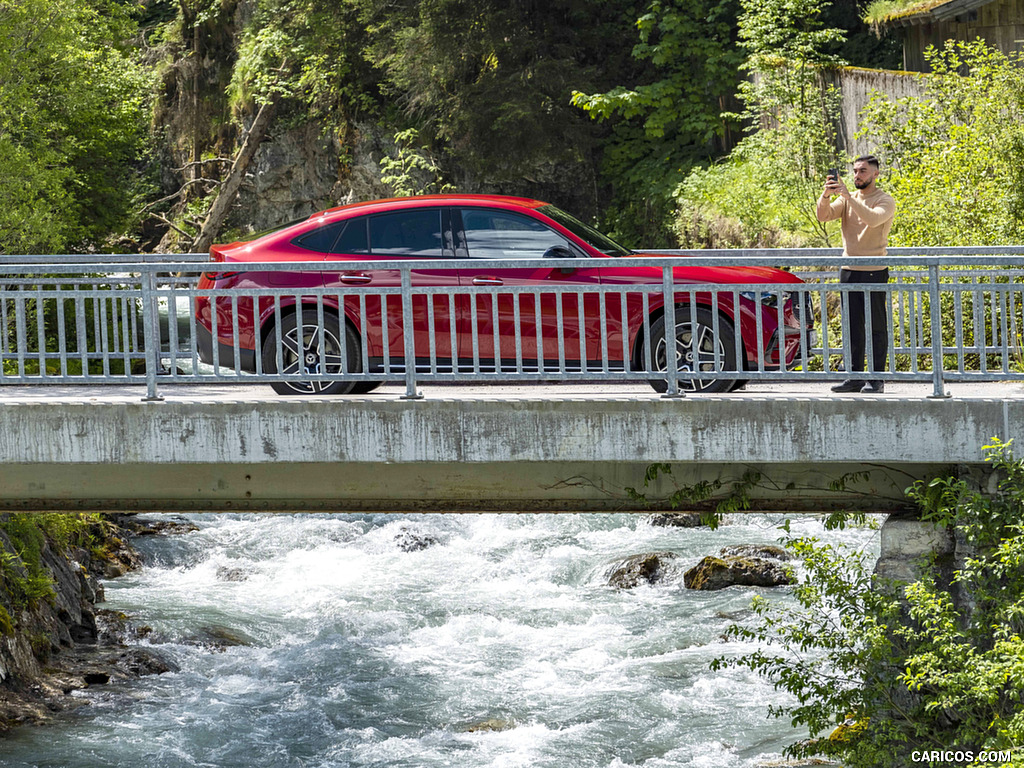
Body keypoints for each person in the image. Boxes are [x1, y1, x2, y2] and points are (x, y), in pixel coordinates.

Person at [816, 155, 896, 394]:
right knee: (852, 326)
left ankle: (876, 379)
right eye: (854, 171)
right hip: (849, 270)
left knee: (876, 327)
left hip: (874, 271)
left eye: (862, 171)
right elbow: (823, 215)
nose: (857, 175)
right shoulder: (847, 199)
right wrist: (826, 195)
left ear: (875, 174)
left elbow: (872, 220)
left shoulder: (885, 200)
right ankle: (854, 377)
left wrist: (848, 197)